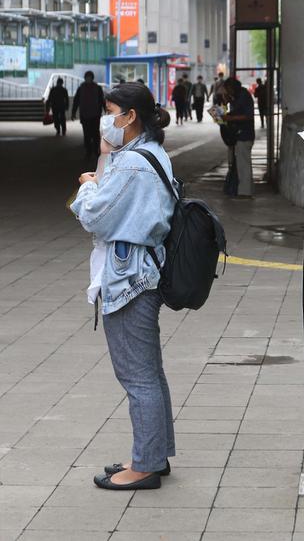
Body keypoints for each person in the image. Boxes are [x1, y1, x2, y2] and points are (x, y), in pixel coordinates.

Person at [70, 83, 176, 492]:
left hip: (129, 279)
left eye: (110, 110)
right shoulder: (147, 154)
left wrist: (88, 184)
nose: (105, 118)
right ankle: (153, 455)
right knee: (149, 373)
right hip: (142, 273)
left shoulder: (133, 164)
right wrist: (103, 162)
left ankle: (146, 466)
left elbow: (95, 217)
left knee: (138, 377)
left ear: (129, 116)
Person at [223, 77, 255, 198]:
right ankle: (243, 189)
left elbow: (248, 116)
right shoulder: (238, 97)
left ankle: (245, 192)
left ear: (232, 87)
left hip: (245, 135)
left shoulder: (244, 96)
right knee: (240, 164)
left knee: (244, 164)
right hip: (240, 135)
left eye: (228, 90)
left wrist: (230, 118)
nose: (228, 92)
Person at [72, 71, 106, 158]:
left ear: (92, 78)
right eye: (87, 77)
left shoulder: (97, 88)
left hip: (95, 115)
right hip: (84, 115)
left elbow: (102, 100)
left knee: (95, 134)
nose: (88, 78)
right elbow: (76, 101)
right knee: (86, 134)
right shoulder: (81, 88)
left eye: (89, 77)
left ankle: (96, 150)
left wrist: (106, 110)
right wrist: (73, 112)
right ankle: (88, 151)